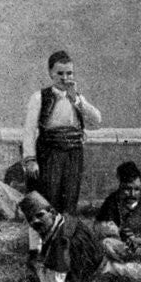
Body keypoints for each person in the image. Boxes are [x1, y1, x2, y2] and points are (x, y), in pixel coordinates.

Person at [22, 51, 101, 255]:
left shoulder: (77, 98)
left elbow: (97, 121)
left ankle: (62, 250)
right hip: (49, 154)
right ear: (50, 73)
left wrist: (78, 100)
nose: (65, 78)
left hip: (73, 155)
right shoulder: (40, 97)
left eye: (69, 73)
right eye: (60, 73)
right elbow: (29, 131)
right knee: (43, 203)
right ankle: (36, 251)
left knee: (68, 204)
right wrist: (30, 159)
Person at [19, 191, 103, 282]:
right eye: (30, 219)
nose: (35, 221)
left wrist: (37, 274)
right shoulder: (56, 223)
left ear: (52, 213)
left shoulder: (63, 237)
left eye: (39, 215)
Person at [92, 161, 141, 280]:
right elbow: (99, 230)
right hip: (121, 247)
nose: (132, 194)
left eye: (137, 189)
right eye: (127, 189)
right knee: (105, 245)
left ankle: (116, 269)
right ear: (120, 186)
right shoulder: (112, 202)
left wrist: (138, 240)